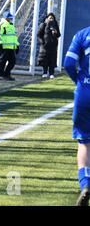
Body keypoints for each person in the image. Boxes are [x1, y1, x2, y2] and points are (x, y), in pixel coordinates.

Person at [64, 26, 90, 206]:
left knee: (84, 142)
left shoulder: (82, 34)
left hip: (85, 93)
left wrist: (80, 82)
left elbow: (68, 63)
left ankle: (86, 184)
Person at [37, 13, 61, 79]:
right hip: (45, 47)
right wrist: (42, 43)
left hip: (53, 46)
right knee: (45, 60)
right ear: (47, 18)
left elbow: (59, 35)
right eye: (50, 18)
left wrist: (55, 32)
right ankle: (44, 72)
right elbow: (39, 35)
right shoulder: (43, 25)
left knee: (52, 60)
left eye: (52, 18)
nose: (51, 19)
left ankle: (51, 73)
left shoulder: (55, 25)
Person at [0, 11, 19, 81]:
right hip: (3, 46)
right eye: (9, 18)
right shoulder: (1, 24)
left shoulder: (11, 25)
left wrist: (17, 45)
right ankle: (1, 75)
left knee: (12, 61)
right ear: (5, 18)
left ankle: (7, 74)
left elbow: (14, 37)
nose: (10, 19)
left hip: (11, 47)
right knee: (2, 61)